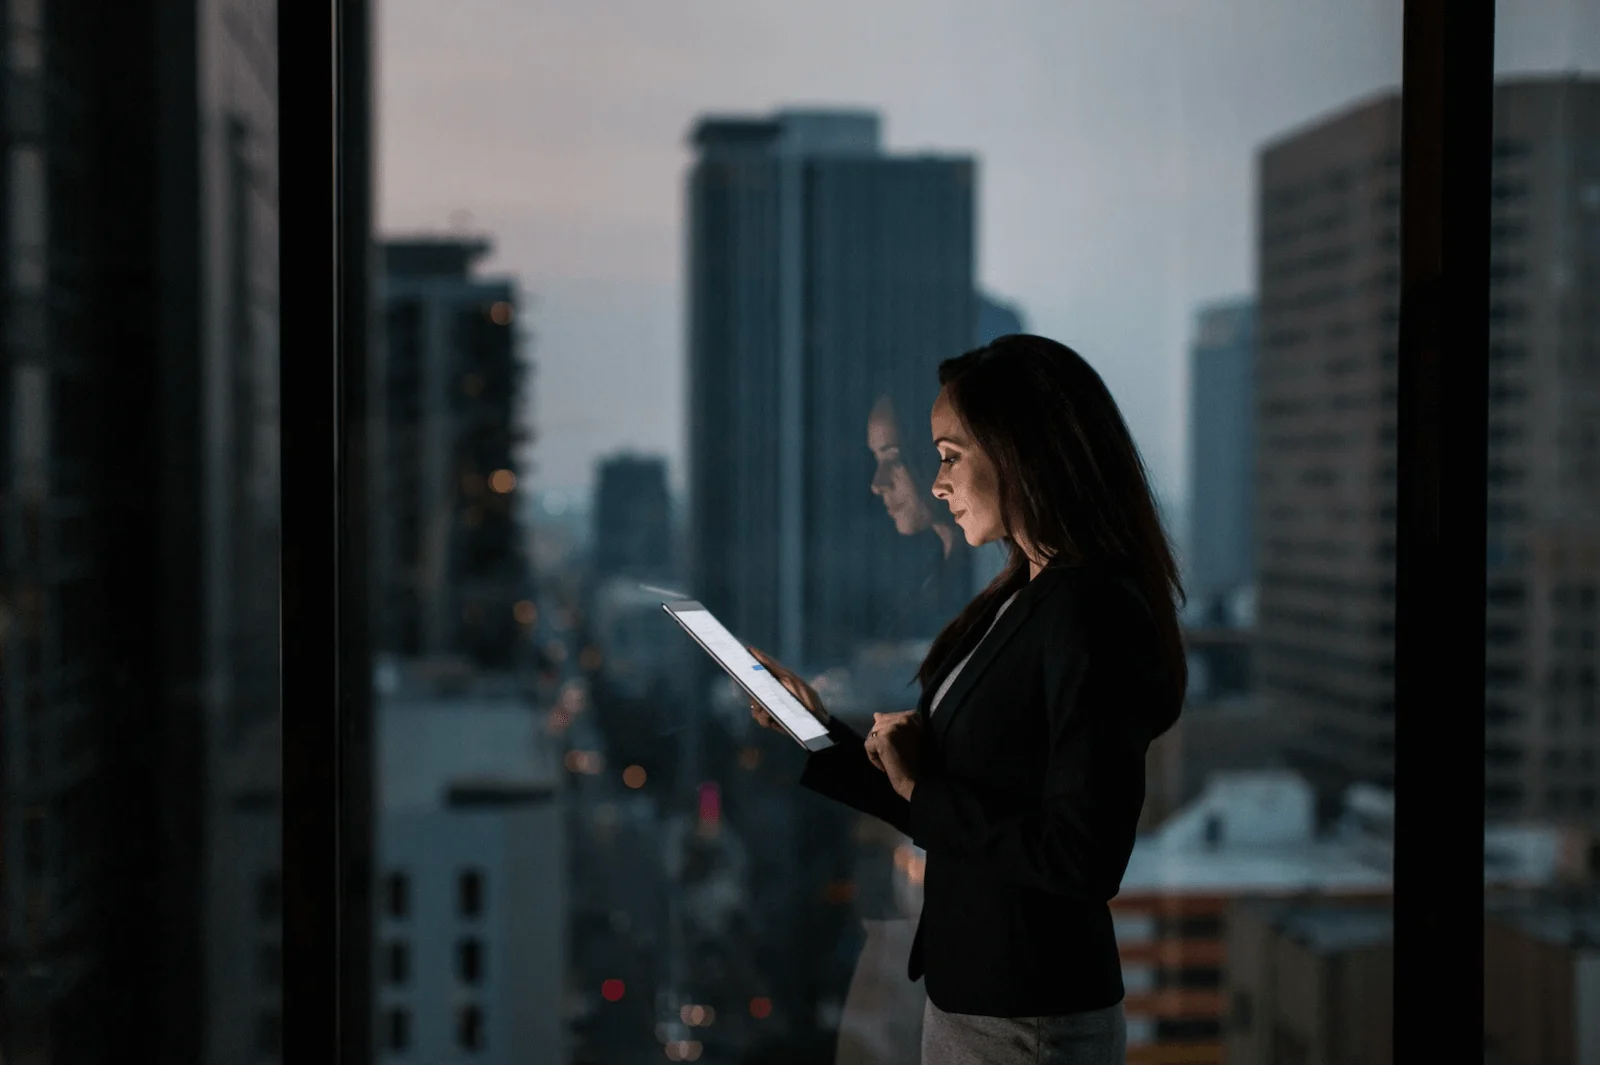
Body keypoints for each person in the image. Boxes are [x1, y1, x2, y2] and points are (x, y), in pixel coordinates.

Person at [748, 334, 1186, 1065]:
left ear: (1023, 451)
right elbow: (936, 803)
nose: (938, 480)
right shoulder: (1024, 595)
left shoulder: (1090, 610)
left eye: (950, 455)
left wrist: (922, 784)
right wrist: (812, 727)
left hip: (1028, 1018)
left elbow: (1083, 858)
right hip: (982, 1001)